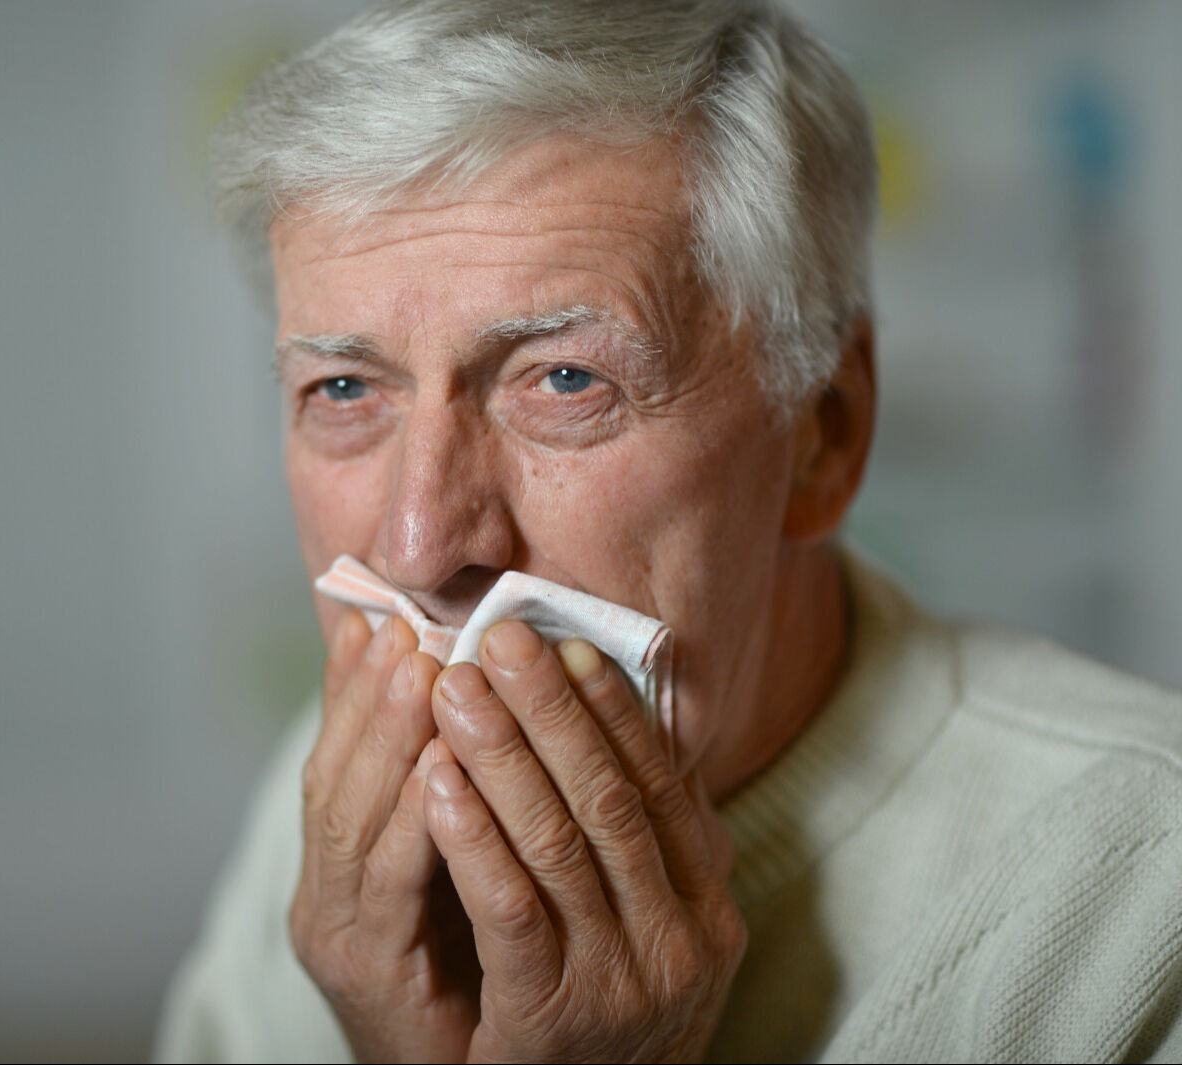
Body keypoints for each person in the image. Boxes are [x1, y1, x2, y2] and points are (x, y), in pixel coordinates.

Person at [156, 1, 1182, 1060]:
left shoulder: (1145, 896)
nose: (419, 548)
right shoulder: (336, 799)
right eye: (343, 388)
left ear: (824, 433)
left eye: (565, 379)